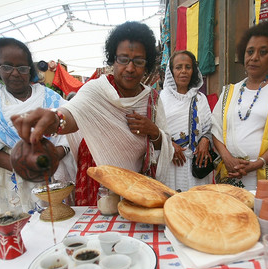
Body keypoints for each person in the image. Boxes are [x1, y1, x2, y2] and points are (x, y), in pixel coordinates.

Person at [11, 21, 173, 205]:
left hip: (137, 187)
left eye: (138, 61)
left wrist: (153, 131)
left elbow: (165, 145)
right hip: (97, 185)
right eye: (123, 59)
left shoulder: (152, 99)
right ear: (113, 60)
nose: (130, 68)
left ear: (147, 65)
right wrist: (56, 119)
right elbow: (71, 114)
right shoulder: (97, 89)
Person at [0, 37, 75, 238]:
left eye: (22, 68)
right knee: (18, 237)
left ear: (30, 70)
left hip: (47, 178)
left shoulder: (50, 98)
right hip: (8, 182)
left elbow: (70, 136)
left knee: (55, 233)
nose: (15, 73)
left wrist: (53, 156)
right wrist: (21, 166)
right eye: (7, 66)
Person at [212, 21, 268, 190]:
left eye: (263, 52)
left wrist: (258, 163)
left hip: (265, 174)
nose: (254, 57)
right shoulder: (230, 91)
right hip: (230, 174)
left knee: (261, 215)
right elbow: (215, 128)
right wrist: (227, 158)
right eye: (250, 51)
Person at [160, 50, 213, 191]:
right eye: (178, 67)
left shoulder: (201, 98)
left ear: (193, 71)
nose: (183, 71)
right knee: (173, 204)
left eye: (188, 67)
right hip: (172, 162)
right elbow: (154, 130)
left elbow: (210, 127)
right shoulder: (161, 99)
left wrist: (205, 140)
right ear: (171, 71)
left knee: (197, 205)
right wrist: (169, 144)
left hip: (197, 163)